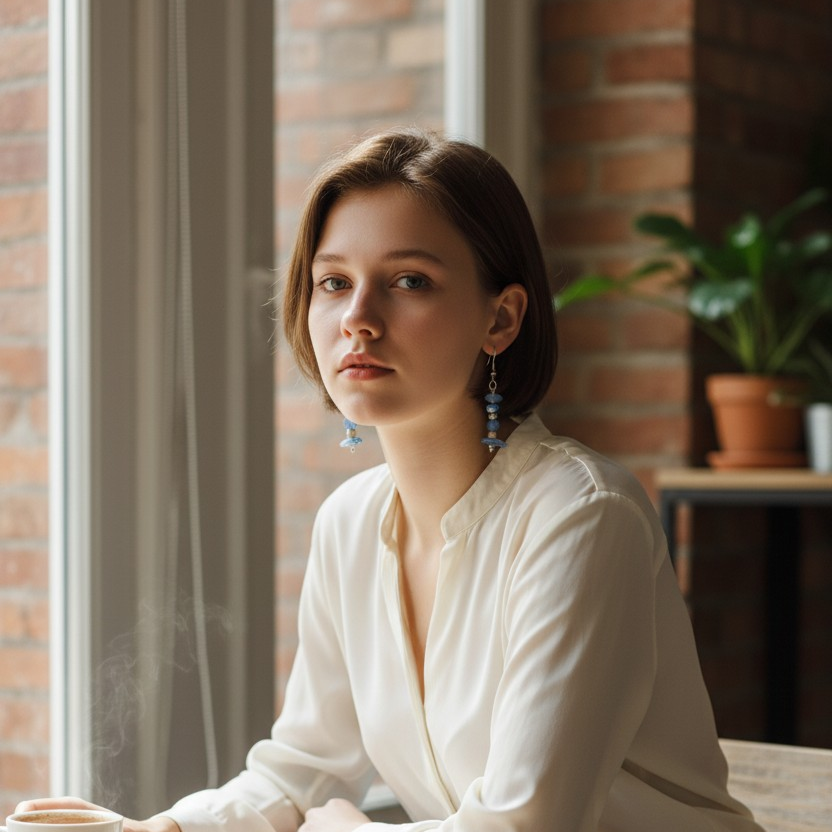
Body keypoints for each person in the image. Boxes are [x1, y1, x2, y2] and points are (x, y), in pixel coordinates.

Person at [19, 128, 764, 831]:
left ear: (501, 319)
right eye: (333, 282)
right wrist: (166, 826)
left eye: (410, 280)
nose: (358, 318)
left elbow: (524, 825)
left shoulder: (582, 516)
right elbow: (304, 770)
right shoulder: (348, 523)